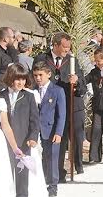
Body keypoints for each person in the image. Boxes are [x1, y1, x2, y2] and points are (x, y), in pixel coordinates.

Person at [35, 32, 86, 182]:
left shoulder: (72, 60)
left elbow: (82, 85)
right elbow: (35, 78)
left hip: (69, 103)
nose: (67, 50)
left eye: (69, 47)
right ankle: (54, 173)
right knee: (54, 139)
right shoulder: (42, 59)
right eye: (64, 47)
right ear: (55, 45)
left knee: (69, 137)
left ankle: (72, 166)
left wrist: (76, 81)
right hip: (48, 105)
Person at [0, 63, 40, 197]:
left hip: (23, 140)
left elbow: (34, 120)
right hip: (5, 141)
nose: (20, 83)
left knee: (22, 171)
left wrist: (33, 137)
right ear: (10, 78)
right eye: (17, 79)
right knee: (6, 170)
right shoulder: (0, 96)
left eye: (23, 79)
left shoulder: (28, 96)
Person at [31, 61, 65, 196]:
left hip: (50, 129)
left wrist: (59, 132)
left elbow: (61, 114)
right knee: (40, 156)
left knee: (51, 157)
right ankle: (40, 181)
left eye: (40, 75)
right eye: (35, 75)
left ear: (49, 74)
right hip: (35, 130)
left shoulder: (57, 91)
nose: (38, 78)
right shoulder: (32, 91)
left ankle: (52, 184)